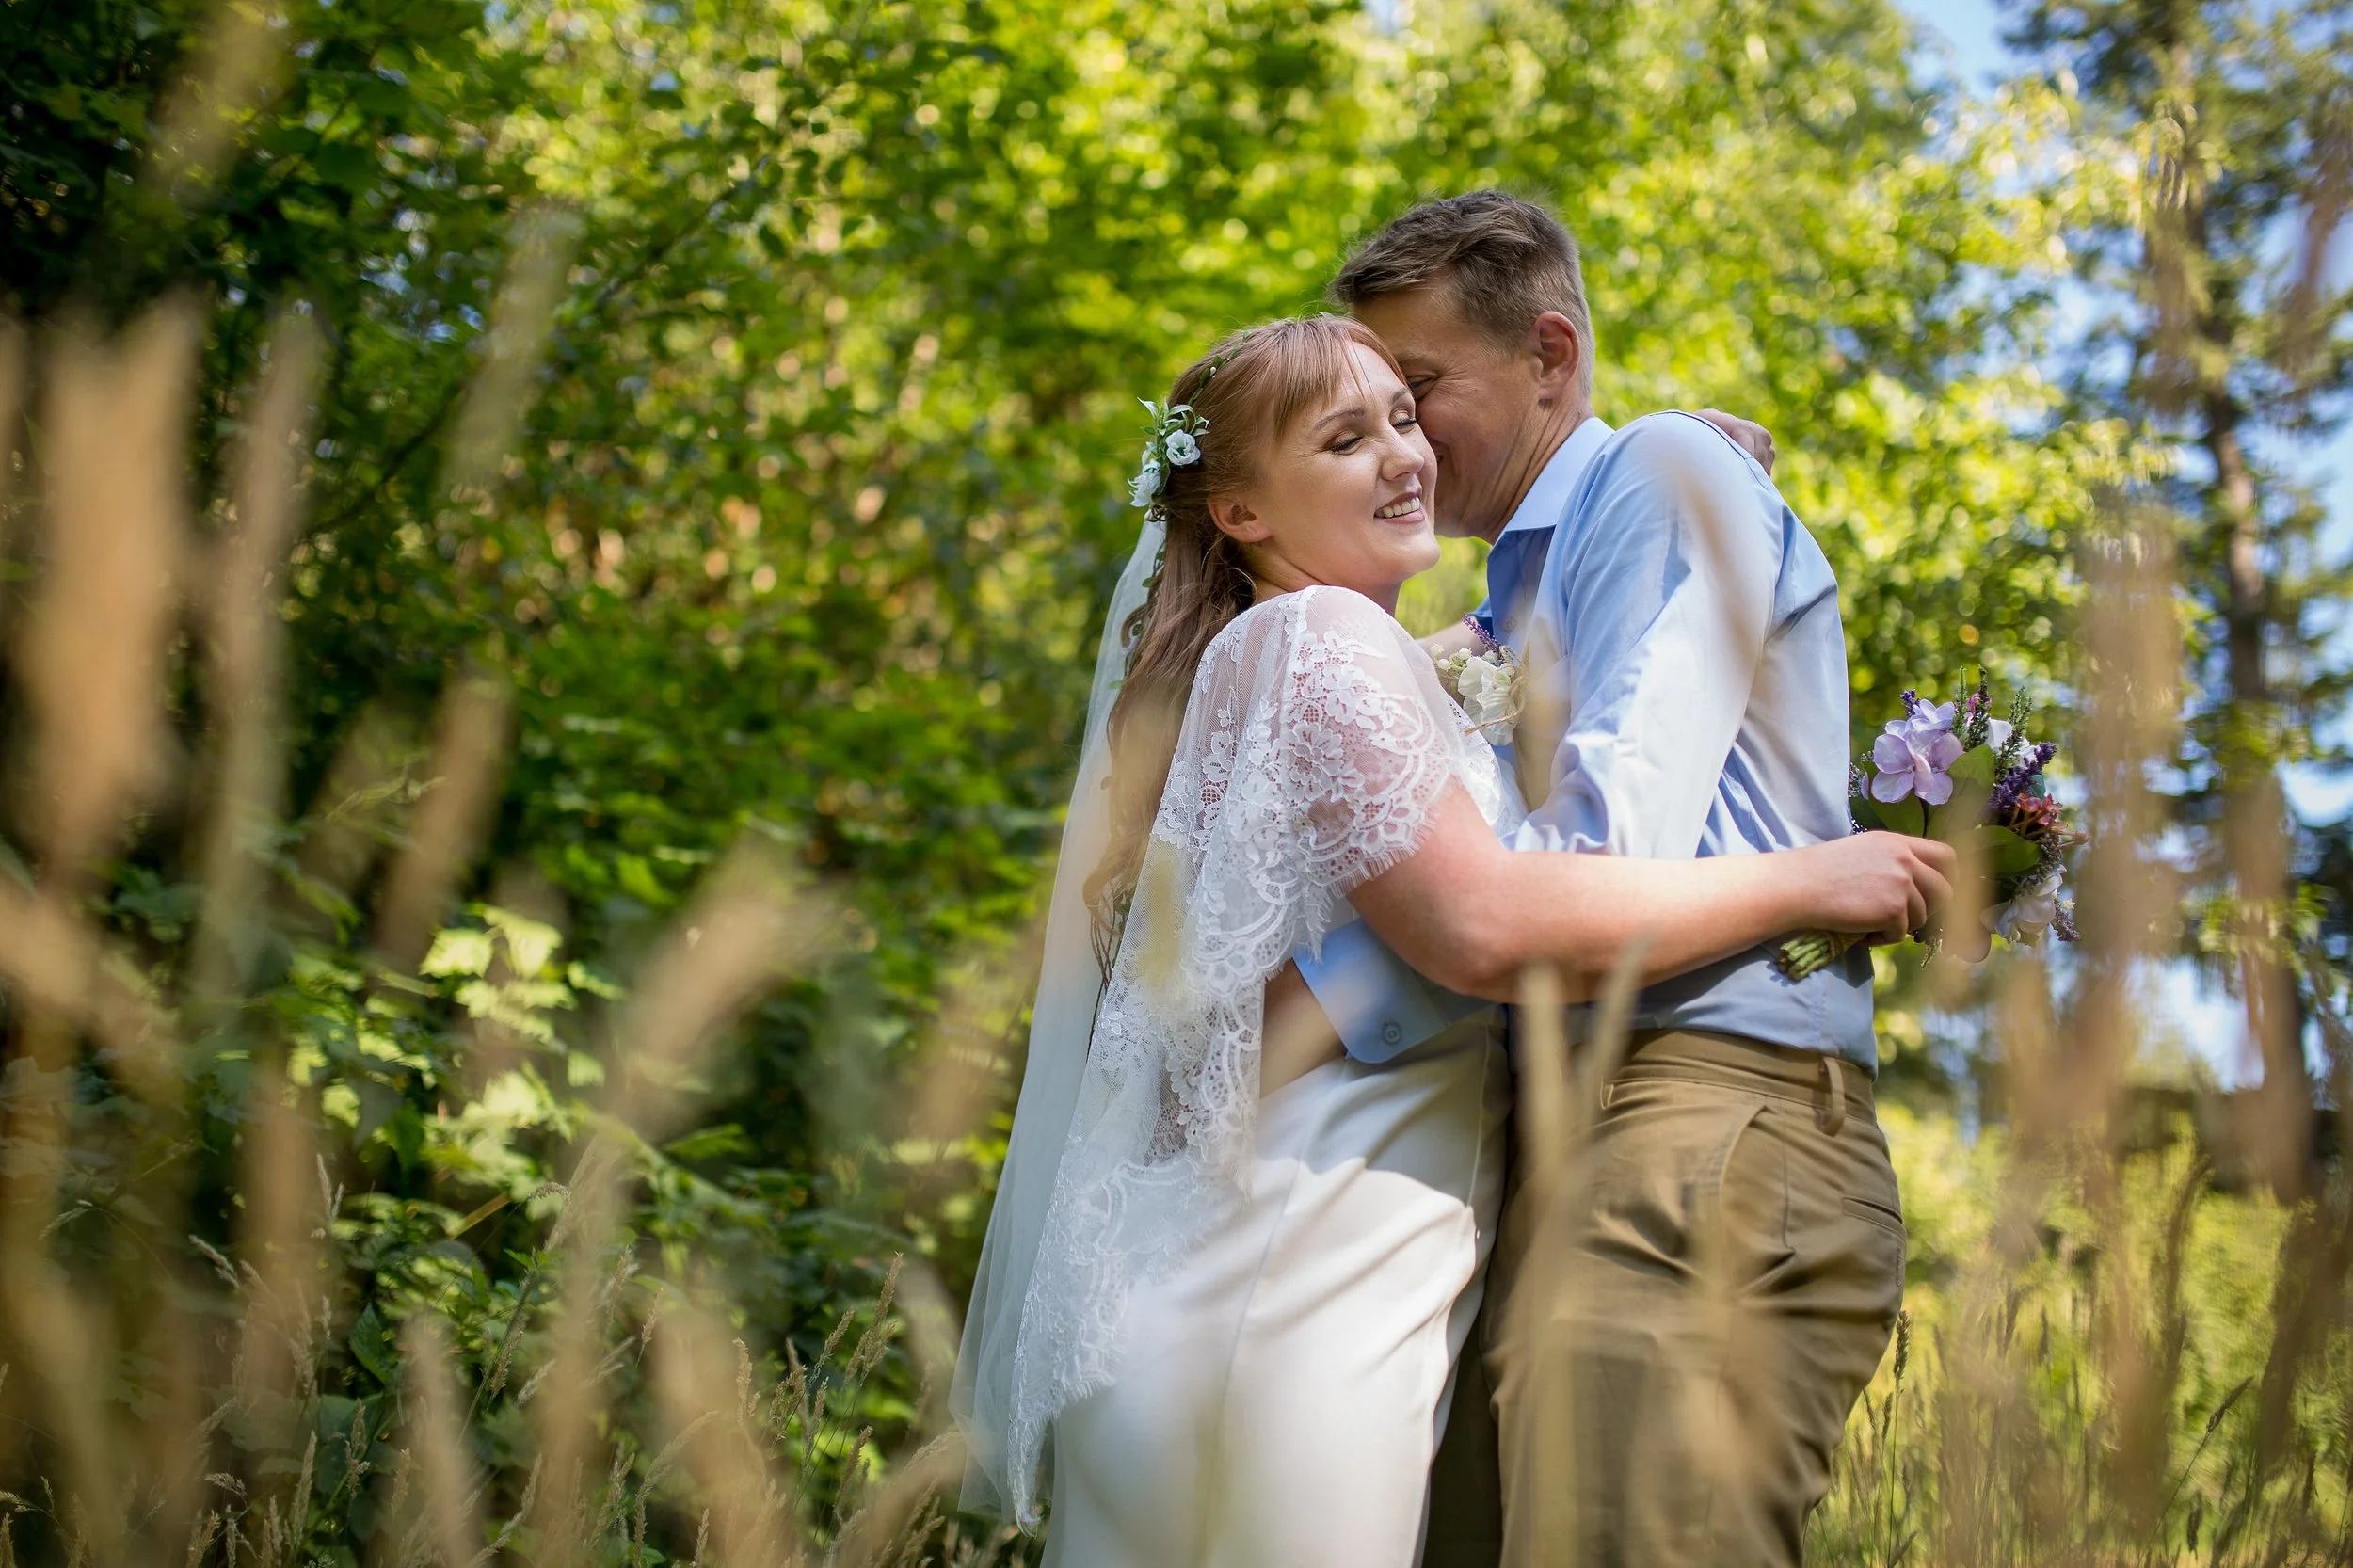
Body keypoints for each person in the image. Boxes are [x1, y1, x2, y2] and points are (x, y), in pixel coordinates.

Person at [949, 311, 1952, 1568]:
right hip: (1295, 1289)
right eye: (1345, 435)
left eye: (1409, 416)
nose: (1404, 453)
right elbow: (1480, 925)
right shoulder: (1326, 642)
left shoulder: (1292, 656)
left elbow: (1509, 659)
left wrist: (1668, 464)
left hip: (1231, 1280)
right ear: (1244, 510)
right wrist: (1810, 878)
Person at [1308, 190, 1912, 1568]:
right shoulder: (1505, 597)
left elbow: (1603, 857)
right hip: (1561, 1140)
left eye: (1418, 391)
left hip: (1702, 1115)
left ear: (1552, 356)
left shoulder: (1654, 477)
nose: (1399, 439)